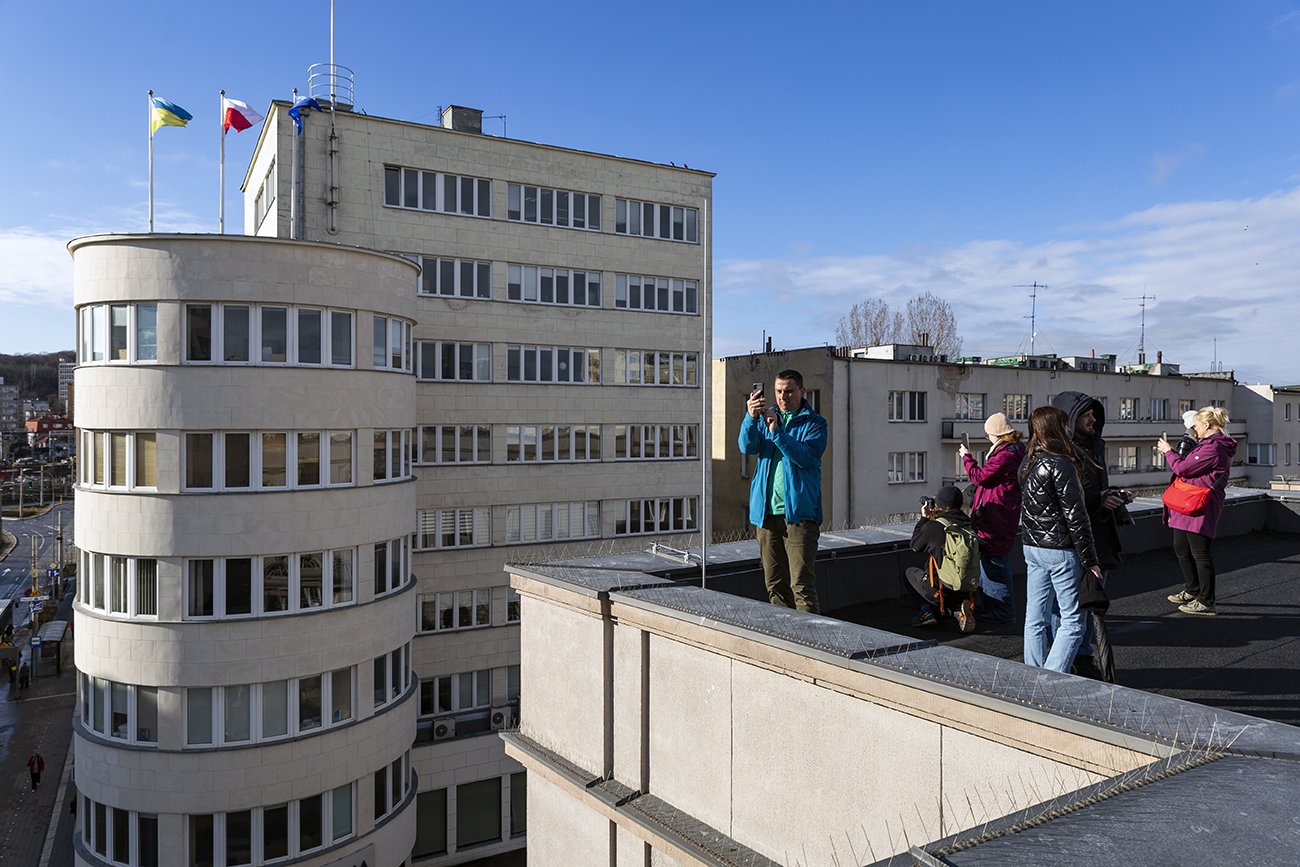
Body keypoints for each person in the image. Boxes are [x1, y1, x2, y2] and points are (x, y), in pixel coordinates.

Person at [1049, 391, 1130, 679]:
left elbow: (1089, 490)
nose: (1092, 419)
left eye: (1093, 414)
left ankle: (1081, 656)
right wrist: (1099, 498)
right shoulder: (1064, 452)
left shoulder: (1093, 446)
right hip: (1078, 539)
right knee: (1070, 606)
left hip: (1097, 535)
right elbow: (1066, 499)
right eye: (1085, 414)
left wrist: (1111, 496)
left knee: (1088, 602)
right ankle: (1066, 660)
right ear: (1070, 419)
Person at [1019, 406, 1103, 673]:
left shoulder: (1028, 461)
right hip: (1059, 550)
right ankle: (1051, 678)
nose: (1069, 429)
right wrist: (1090, 560)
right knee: (1073, 620)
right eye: (1066, 424)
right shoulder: (1061, 463)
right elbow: (1076, 516)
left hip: (1032, 547)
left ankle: (1033, 673)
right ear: (1058, 428)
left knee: (1035, 617)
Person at [739, 369, 827, 613]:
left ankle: (808, 646)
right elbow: (746, 446)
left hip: (799, 516)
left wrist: (777, 433)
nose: (782, 397)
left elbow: (805, 457)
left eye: (788, 391)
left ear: (802, 391)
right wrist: (750, 417)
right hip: (766, 514)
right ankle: (786, 641)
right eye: (778, 391)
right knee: (775, 585)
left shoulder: (815, 424)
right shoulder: (765, 419)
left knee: (802, 587)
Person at [1158, 407, 1236, 616]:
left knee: (1200, 553)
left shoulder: (1214, 447)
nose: (1195, 429)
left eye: (1197, 425)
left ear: (1207, 425)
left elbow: (1183, 468)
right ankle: (1192, 590)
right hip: (1189, 502)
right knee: (1181, 547)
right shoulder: (1207, 444)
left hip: (1201, 505)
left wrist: (1168, 451)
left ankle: (1206, 600)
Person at [960, 412, 1026, 623]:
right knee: (992, 562)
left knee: (995, 564)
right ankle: (993, 607)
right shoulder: (1015, 451)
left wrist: (966, 457)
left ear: (996, 435)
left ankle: (1002, 612)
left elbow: (980, 477)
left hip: (996, 517)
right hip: (1001, 514)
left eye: (989, 434)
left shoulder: (1005, 456)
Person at [904, 485, 980, 632]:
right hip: (965, 587)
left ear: (940, 504)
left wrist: (924, 518)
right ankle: (959, 609)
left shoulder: (935, 526)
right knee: (951, 584)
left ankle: (925, 611)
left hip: (940, 589)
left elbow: (915, 545)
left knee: (909, 573)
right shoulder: (968, 524)